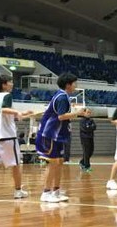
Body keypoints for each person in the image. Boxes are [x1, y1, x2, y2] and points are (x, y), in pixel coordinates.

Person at [36, 72, 89, 203]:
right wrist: (77, 113)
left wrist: (76, 113)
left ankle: (56, 191)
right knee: (53, 163)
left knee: (59, 163)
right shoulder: (61, 97)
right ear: (68, 85)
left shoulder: (63, 96)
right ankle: (46, 192)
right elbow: (61, 116)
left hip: (58, 135)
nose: (76, 85)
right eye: (74, 83)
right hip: (50, 134)